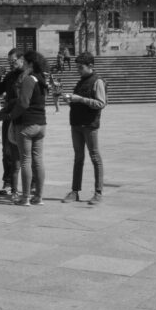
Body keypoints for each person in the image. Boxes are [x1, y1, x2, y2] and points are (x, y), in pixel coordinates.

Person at [61, 52, 107, 205]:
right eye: (77, 68)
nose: (78, 70)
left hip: (89, 125)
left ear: (90, 66)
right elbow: (80, 101)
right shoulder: (81, 81)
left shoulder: (97, 81)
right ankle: (75, 191)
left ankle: (98, 192)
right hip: (76, 124)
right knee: (78, 157)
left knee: (95, 157)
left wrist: (80, 99)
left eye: (81, 68)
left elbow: (101, 103)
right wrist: (71, 100)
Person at [9, 50, 49, 206]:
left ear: (30, 64)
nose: (23, 64)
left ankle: (25, 197)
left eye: (25, 62)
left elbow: (24, 103)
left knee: (25, 160)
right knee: (38, 160)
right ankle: (38, 196)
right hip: (41, 124)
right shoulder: (41, 78)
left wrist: (12, 115)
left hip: (26, 124)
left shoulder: (28, 80)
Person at [0, 49, 23, 200]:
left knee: (26, 152)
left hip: (22, 117)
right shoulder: (10, 75)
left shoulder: (27, 75)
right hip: (8, 117)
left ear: (21, 59)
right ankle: (8, 182)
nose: (11, 64)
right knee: (6, 151)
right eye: (9, 62)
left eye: (13, 61)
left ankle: (32, 182)